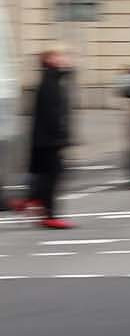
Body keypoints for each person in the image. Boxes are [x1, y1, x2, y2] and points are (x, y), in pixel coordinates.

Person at [26, 49, 74, 230]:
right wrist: (59, 138)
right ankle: (48, 214)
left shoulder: (53, 80)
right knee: (51, 176)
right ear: (49, 61)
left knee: (47, 174)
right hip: (49, 140)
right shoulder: (49, 83)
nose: (63, 58)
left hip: (46, 139)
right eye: (58, 57)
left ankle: (33, 200)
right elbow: (52, 115)